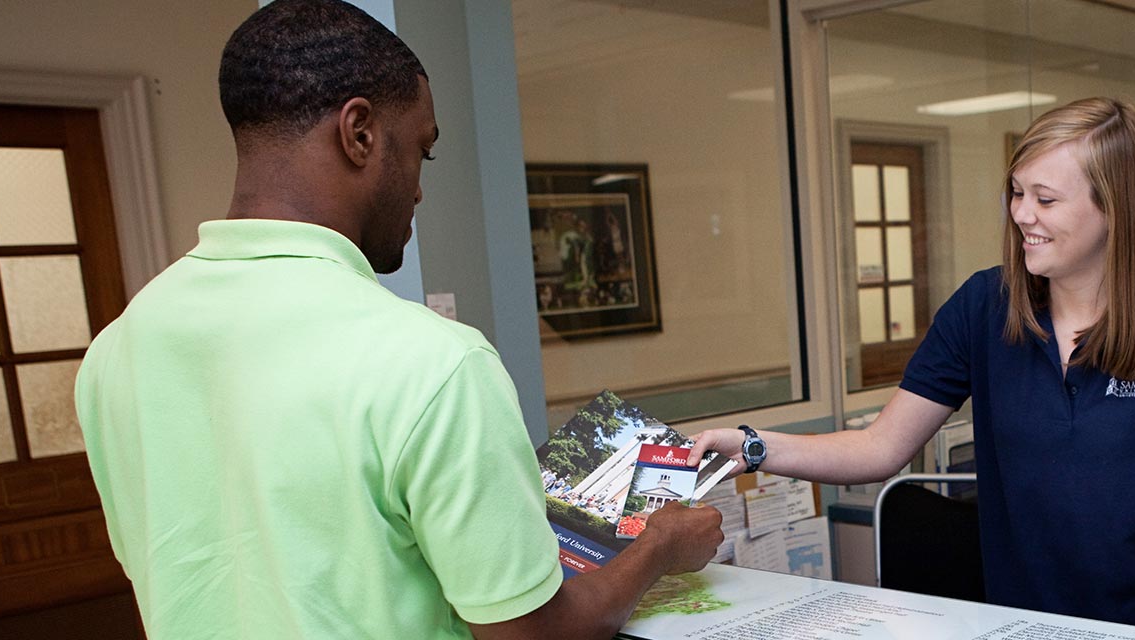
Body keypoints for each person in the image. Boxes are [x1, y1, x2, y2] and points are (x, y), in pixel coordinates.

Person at [73, 2, 720, 638]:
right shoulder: (434, 364)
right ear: (359, 133)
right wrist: (659, 545)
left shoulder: (117, 350)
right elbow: (531, 635)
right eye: (422, 152)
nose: (418, 187)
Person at [690, 97, 1135, 634]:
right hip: (1018, 626)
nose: (1022, 214)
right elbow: (880, 447)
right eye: (1016, 192)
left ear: (1116, 208)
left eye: (1045, 200)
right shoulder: (985, 307)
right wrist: (754, 445)